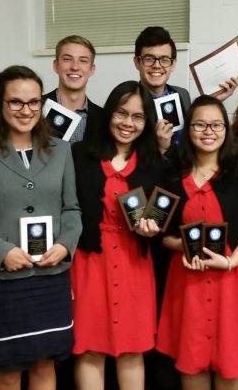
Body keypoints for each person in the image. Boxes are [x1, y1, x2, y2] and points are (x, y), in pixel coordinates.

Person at [0, 65, 82, 390]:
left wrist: (65, 245)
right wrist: (2, 252)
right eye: (16, 102)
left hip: (51, 277)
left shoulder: (60, 150)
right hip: (2, 281)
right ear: (0, 103)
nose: (26, 110)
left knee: (45, 363)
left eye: (33, 102)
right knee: (7, 370)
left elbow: (72, 209)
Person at [156, 95, 238, 390]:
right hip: (189, 282)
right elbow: (162, 233)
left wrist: (231, 261)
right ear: (188, 129)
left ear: (226, 129)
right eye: (199, 124)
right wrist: (182, 247)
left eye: (216, 125)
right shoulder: (173, 174)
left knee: (231, 363)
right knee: (192, 362)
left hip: (235, 279)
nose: (208, 131)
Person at [71, 81, 164, 390]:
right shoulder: (79, 155)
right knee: (90, 347)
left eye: (138, 117)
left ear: (147, 122)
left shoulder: (154, 165)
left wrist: (153, 229)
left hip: (133, 263)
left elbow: (162, 215)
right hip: (88, 263)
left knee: (132, 348)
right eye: (121, 113)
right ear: (109, 113)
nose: (128, 123)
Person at [132, 26, 238, 152]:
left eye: (164, 60)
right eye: (149, 59)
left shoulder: (182, 94)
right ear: (137, 62)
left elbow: (194, 127)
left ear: (173, 64)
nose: (157, 65)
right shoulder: (129, 102)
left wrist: (214, 100)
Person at [43, 35, 103, 144]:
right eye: (67, 59)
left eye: (83, 61)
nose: (75, 67)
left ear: (91, 69)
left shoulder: (104, 118)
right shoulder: (36, 108)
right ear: (56, 66)